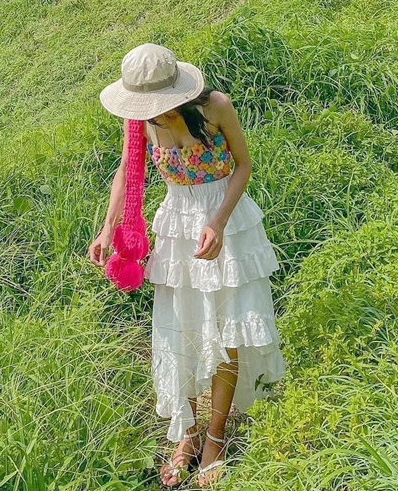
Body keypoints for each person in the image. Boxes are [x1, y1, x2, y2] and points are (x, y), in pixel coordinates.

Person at [89, 43, 285, 487]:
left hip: (226, 222)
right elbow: (127, 170)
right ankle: (188, 435)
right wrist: (107, 228)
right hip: (176, 223)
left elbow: (243, 165)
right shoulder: (138, 120)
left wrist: (218, 222)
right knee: (182, 328)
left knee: (227, 326)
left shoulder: (216, 107)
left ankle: (215, 438)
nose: (152, 114)